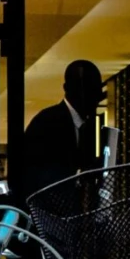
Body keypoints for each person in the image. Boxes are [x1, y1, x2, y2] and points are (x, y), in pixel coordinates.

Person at [15, 56, 105, 204]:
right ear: (68, 89)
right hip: (49, 213)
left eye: (95, 91)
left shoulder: (87, 127)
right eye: (87, 90)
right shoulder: (47, 123)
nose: (94, 98)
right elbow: (40, 178)